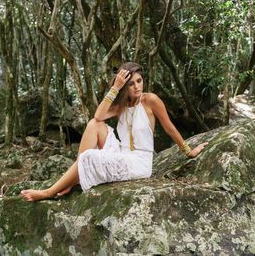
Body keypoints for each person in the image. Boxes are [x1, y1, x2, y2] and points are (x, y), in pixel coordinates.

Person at [21, 62, 208, 202]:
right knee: (94, 124)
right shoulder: (121, 106)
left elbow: (169, 127)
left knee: (88, 157)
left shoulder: (150, 100)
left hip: (139, 162)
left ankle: (49, 192)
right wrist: (115, 87)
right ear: (125, 87)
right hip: (121, 153)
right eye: (131, 83)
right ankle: (77, 176)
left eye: (139, 81)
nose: (137, 86)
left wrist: (188, 151)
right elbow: (98, 115)